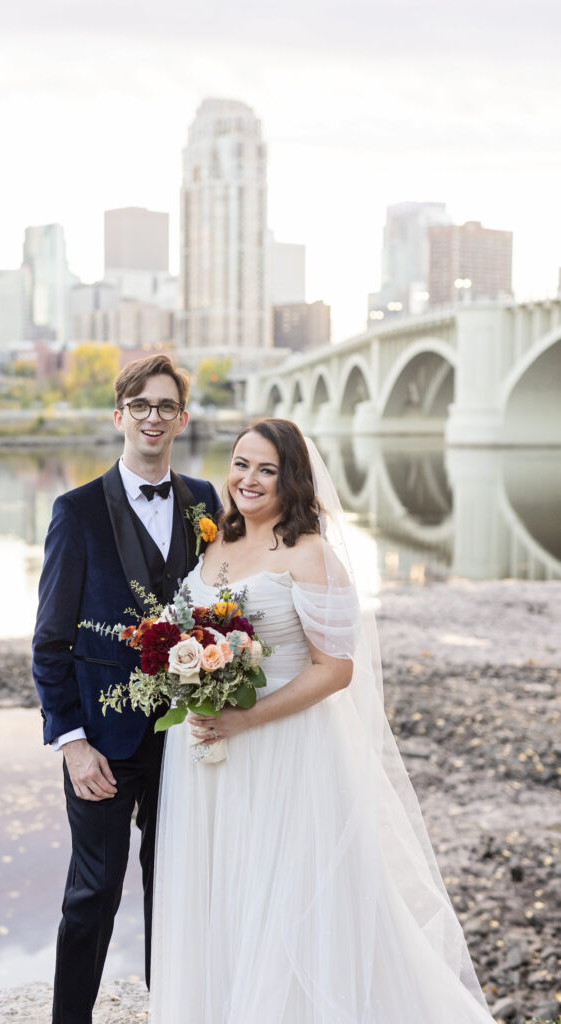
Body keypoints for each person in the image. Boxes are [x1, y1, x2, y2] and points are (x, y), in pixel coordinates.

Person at [149, 417, 496, 1024]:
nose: (248, 480)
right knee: (220, 889)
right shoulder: (216, 541)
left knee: (283, 896)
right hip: (205, 750)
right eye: (241, 464)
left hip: (285, 750)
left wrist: (244, 717)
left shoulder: (312, 555)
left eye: (267, 469)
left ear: (294, 479)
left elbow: (335, 669)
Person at [32, 354, 222, 1024]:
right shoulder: (75, 511)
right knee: (92, 894)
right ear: (119, 415)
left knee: (175, 891)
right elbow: (50, 643)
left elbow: (223, 607)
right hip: (103, 746)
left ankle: (172, 1011)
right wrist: (73, 744)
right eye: (139, 405)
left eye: (165, 406)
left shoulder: (206, 501)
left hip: (186, 738)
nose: (152, 417)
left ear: (182, 418)